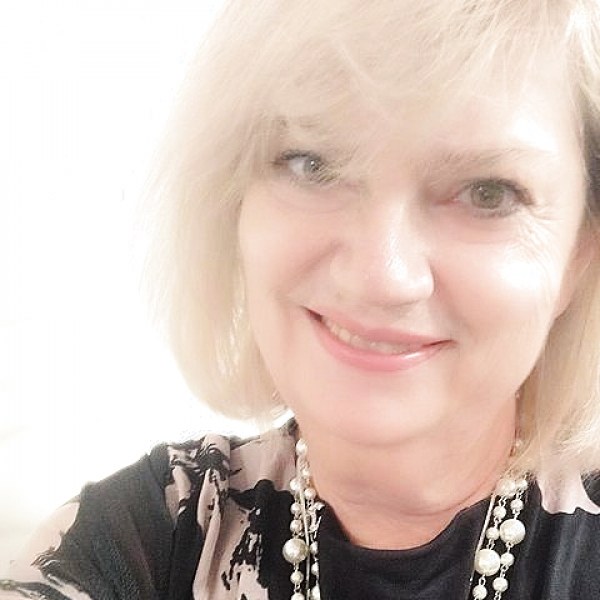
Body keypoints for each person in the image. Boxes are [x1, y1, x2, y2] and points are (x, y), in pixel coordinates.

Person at [3, 0, 600, 598]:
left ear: (580, 251)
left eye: (488, 193)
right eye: (312, 163)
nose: (380, 276)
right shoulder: (141, 535)